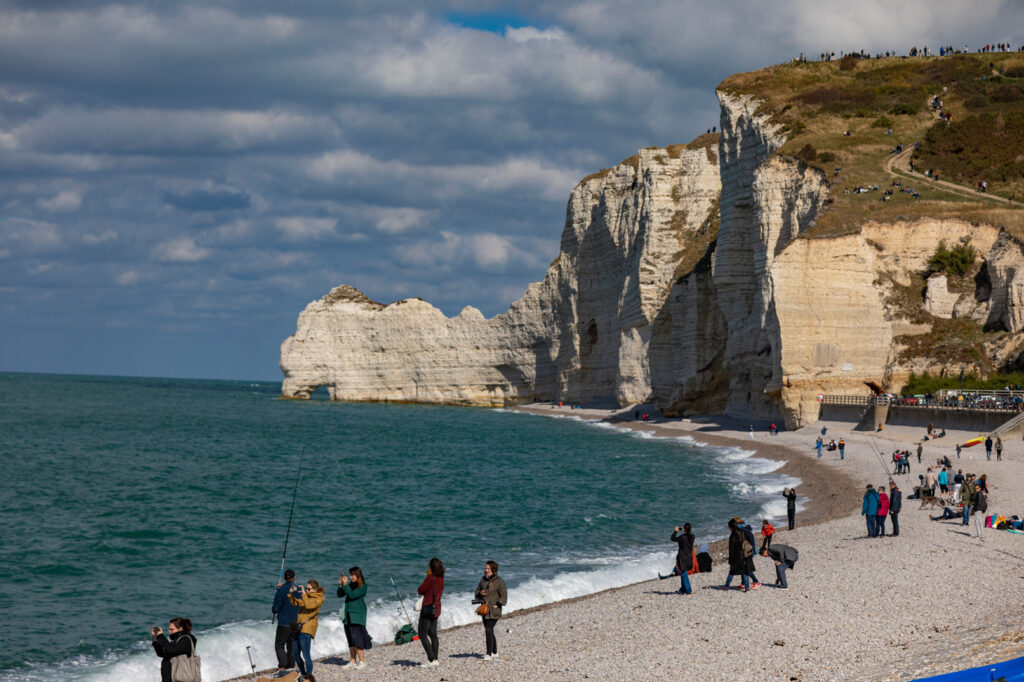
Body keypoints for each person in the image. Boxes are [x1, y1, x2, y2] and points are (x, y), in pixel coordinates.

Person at [288, 579, 324, 682]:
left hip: (307, 629)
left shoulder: (319, 598)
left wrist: (304, 594)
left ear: (315, 589)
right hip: (298, 628)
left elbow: (309, 605)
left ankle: (309, 676)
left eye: (309, 589)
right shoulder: (306, 597)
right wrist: (291, 594)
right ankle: (303, 673)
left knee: (306, 654)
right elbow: (296, 603)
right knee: (295, 653)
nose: (307, 590)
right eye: (306, 588)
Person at [474, 560, 508, 659]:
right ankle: (495, 652)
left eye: (488, 568)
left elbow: (504, 596)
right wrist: (480, 593)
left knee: (488, 630)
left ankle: (488, 654)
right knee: (489, 630)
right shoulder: (482, 580)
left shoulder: (499, 581)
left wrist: (498, 604)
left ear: (493, 569)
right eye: (485, 568)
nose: (486, 570)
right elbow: (476, 592)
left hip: (494, 610)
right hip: (484, 610)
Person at [339, 567, 371, 669]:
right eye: (350, 574)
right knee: (350, 639)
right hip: (347, 615)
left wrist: (345, 585)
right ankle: (352, 661)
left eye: (352, 575)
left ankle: (362, 661)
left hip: (357, 615)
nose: (350, 577)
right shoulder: (350, 585)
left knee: (358, 639)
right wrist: (341, 584)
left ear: (358, 575)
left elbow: (352, 595)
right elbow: (339, 594)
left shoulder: (363, 586)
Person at [417, 557, 445, 667]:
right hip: (436, 608)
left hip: (428, 608)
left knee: (422, 634)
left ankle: (431, 659)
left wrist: (427, 576)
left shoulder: (430, 578)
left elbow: (420, 590)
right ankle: (435, 659)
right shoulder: (441, 578)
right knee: (433, 633)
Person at [151, 617, 197, 682]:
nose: (169, 632)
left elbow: (170, 650)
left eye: (172, 629)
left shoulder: (186, 640)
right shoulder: (176, 642)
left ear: (180, 628)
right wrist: (155, 639)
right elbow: (161, 653)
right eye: (169, 629)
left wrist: (161, 636)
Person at [272, 569, 299, 671]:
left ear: (284, 578)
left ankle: (283, 665)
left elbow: (275, 609)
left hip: (284, 623)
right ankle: (291, 665)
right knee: (291, 645)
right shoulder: (298, 589)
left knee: (279, 645)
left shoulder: (281, 590)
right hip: (295, 622)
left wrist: (279, 590)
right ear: (294, 577)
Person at [724, 518, 757, 592]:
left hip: (737, 556)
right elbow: (750, 541)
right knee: (745, 572)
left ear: (731, 527)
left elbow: (731, 549)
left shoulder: (733, 535)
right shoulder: (743, 532)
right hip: (746, 555)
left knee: (732, 571)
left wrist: (730, 559)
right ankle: (747, 587)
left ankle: (726, 585)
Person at [667, 523, 696, 594]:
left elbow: (672, 538)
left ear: (684, 529)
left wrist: (676, 531)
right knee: (683, 573)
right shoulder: (692, 536)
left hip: (682, 557)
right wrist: (683, 530)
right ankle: (682, 589)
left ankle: (688, 590)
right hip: (689, 557)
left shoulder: (683, 537)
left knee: (683, 573)